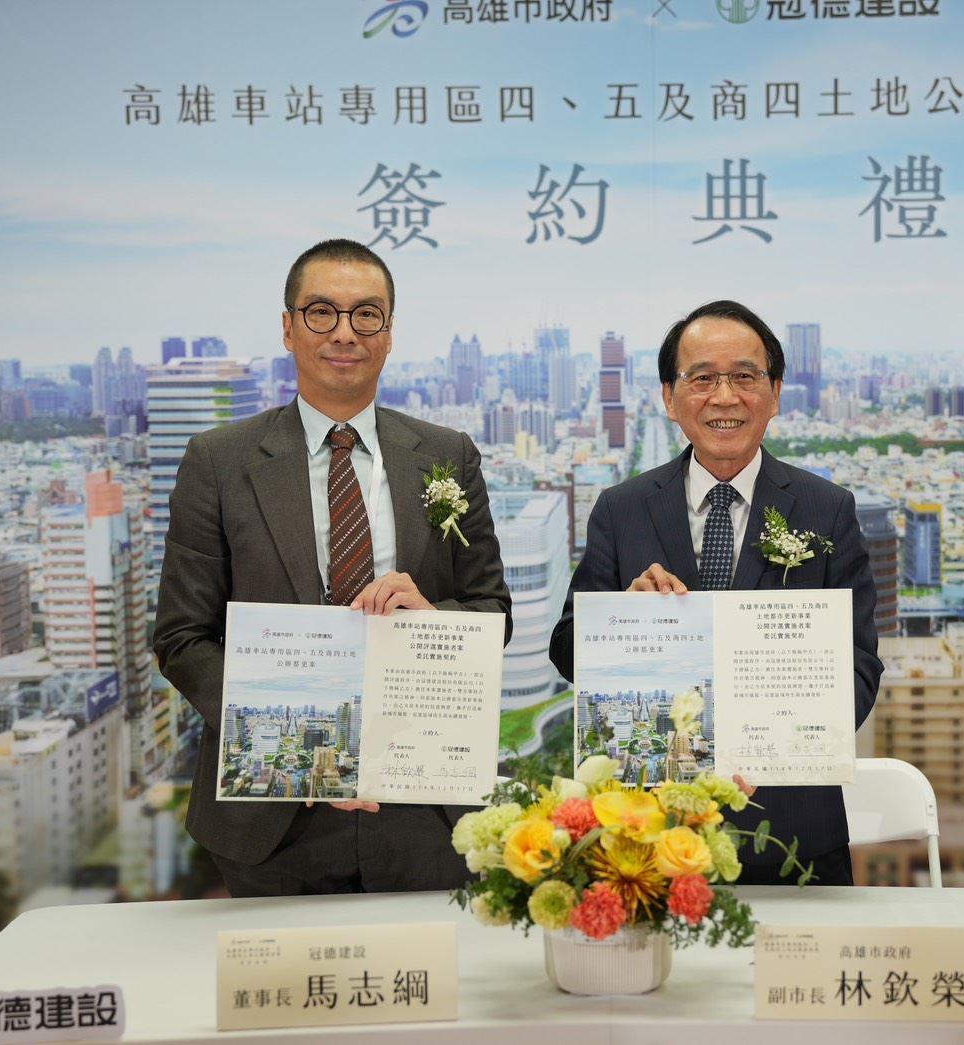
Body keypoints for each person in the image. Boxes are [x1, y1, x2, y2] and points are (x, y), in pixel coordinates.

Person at [154, 239, 511, 896]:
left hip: (423, 800)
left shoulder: (447, 454)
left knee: (427, 961)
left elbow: (493, 610)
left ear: (389, 333)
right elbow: (182, 638)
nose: (345, 332)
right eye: (321, 312)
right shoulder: (219, 461)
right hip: (274, 809)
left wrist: (434, 618)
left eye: (366, 314)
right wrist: (307, 750)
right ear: (288, 328)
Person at [547, 299, 881, 886]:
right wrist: (621, 621)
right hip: (650, 837)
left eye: (745, 377)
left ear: (775, 394)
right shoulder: (622, 509)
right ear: (669, 397)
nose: (724, 397)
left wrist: (779, 743)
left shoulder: (827, 510)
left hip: (792, 833)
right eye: (702, 379)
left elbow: (860, 667)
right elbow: (568, 648)